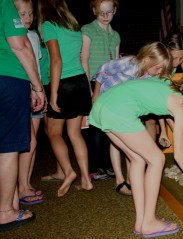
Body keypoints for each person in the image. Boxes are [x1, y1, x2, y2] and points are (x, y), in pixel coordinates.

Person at [89, 70, 183, 237]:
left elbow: (167, 115)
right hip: (119, 111)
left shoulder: (169, 88)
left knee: (137, 160)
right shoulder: (181, 106)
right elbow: (179, 155)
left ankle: (141, 222)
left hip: (102, 106)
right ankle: (149, 222)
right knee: (157, 159)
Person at [92, 41, 172, 195]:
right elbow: (103, 71)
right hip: (109, 104)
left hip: (126, 109)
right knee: (116, 144)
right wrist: (96, 93)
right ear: (148, 59)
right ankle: (119, 179)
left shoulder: (148, 75)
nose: (160, 70)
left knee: (130, 147)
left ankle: (131, 179)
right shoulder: (129, 63)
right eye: (158, 67)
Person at [37, 0, 93, 197]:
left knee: (53, 133)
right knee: (75, 133)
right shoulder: (74, 27)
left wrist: (53, 93)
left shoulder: (48, 26)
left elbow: (56, 60)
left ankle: (69, 172)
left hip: (64, 83)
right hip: (80, 82)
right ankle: (86, 180)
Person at [0, 0, 45, 231]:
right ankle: (6, 211)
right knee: (8, 147)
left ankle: (11, 198)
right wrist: (37, 86)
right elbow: (19, 45)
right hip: (7, 76)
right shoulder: (5, 3)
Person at [81, 0, 121, 180]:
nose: (106, 17)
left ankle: (107, 165)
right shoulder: (87, 30)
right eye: (101, 13)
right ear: (94, 10)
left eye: (109, 13)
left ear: (114, 11)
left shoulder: (115, 35)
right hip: (91, 82)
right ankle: (94, 167)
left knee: (107, 126)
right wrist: (88, 90)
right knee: (93, 127)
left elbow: (117, 62)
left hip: (109, 85)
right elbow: (84, 59)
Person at [14, 0, 44, 205]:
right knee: (27, 141)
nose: (28, 18)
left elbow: (37, 66)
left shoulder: (33, 35)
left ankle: (26, 182)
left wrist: (41, 89)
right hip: (22, 91)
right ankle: (20, 187)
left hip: (36, 91)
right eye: (22, 14)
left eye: (30, 13)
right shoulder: (14, 37)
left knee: (32, 144)